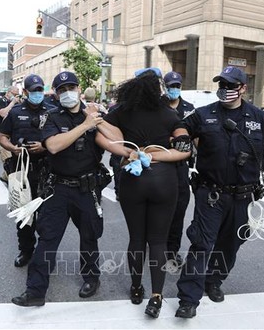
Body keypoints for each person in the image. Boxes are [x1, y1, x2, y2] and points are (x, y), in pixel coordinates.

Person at [174, 66, 264, 318]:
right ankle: (188, 299)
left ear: (243, 88)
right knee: (201, 245)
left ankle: (214, 280)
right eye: (221, 85)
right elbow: (181, 127)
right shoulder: (204, 114)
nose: (225, 90)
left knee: (230, 244)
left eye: (230, 85)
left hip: (244, 196)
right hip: (210, 194)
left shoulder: (259, 117)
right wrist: (181, 137)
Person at [95, 67, 191, 318]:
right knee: (158, 241)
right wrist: (160, 153)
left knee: (137, 238)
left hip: (133, 178)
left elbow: (100, 138)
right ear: (158, 89)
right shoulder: (169, 114)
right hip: (164, 180)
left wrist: (128, 152)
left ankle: (136, 287)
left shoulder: (121, 112)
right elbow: (184, 144)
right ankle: (157, 296)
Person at [11, 71, 107, 307]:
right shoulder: (52, 117)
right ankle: (35, 291)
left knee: (89, 237)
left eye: (70, 88)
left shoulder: (94, 114)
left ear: (79, 88)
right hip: (59, 188)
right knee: (47, 239)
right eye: (61, 90)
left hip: (87, 187)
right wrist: (85, 125)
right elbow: (53, 146)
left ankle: (91, 277)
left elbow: (116, 140)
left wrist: (98, 120)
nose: (67, 93)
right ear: (55, 93)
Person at [0, 75, 51, 267]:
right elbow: (2, 136)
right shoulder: (15, 112)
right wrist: (13, 148)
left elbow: (60, 138)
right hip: (21, 168)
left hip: (47, 169)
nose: (37, 93)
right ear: (26, 92)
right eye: (33, 90)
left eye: (40, 90)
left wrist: (45, 147)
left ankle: (44, 252)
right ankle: (26, 250)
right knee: (23, 214)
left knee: (46, 215)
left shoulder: (52, 111)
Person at [163, 71, 195, 267]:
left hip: (181, 166)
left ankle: (172, 251)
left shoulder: (189, 109)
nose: (173, 89)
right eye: (170, 86)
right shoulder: (157, 107)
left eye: (176, 86)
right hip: (160, 164)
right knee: (158, 209)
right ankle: (155, 244)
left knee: (178, 211)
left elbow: (194, 136)